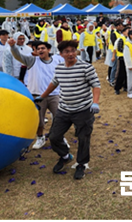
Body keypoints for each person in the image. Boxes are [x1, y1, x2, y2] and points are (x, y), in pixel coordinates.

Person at [34, 39, 101, 180]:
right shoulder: (59, 68)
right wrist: (43, 96)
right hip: (64, 109)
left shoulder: (86, 67)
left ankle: (81, 164)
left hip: (83, 109)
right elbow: (54, 83)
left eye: (73, 51)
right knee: (54, 136)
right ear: (61, 54)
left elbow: (96, 85)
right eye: (67, 51)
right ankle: (65, 156)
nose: (71, 54)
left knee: (83, 138)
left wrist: (95, 103)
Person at [9, 40, 64, 149]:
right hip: (37, 95)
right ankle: (40, 138)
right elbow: (18, 56)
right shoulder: (32, 60)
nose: (40, 50)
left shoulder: (57, 60)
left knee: (60, 117)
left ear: (49, 50)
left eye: (43, 48)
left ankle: (59, 138)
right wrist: (13, 46)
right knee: (39, 120)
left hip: (54, 94)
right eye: (38, 49)